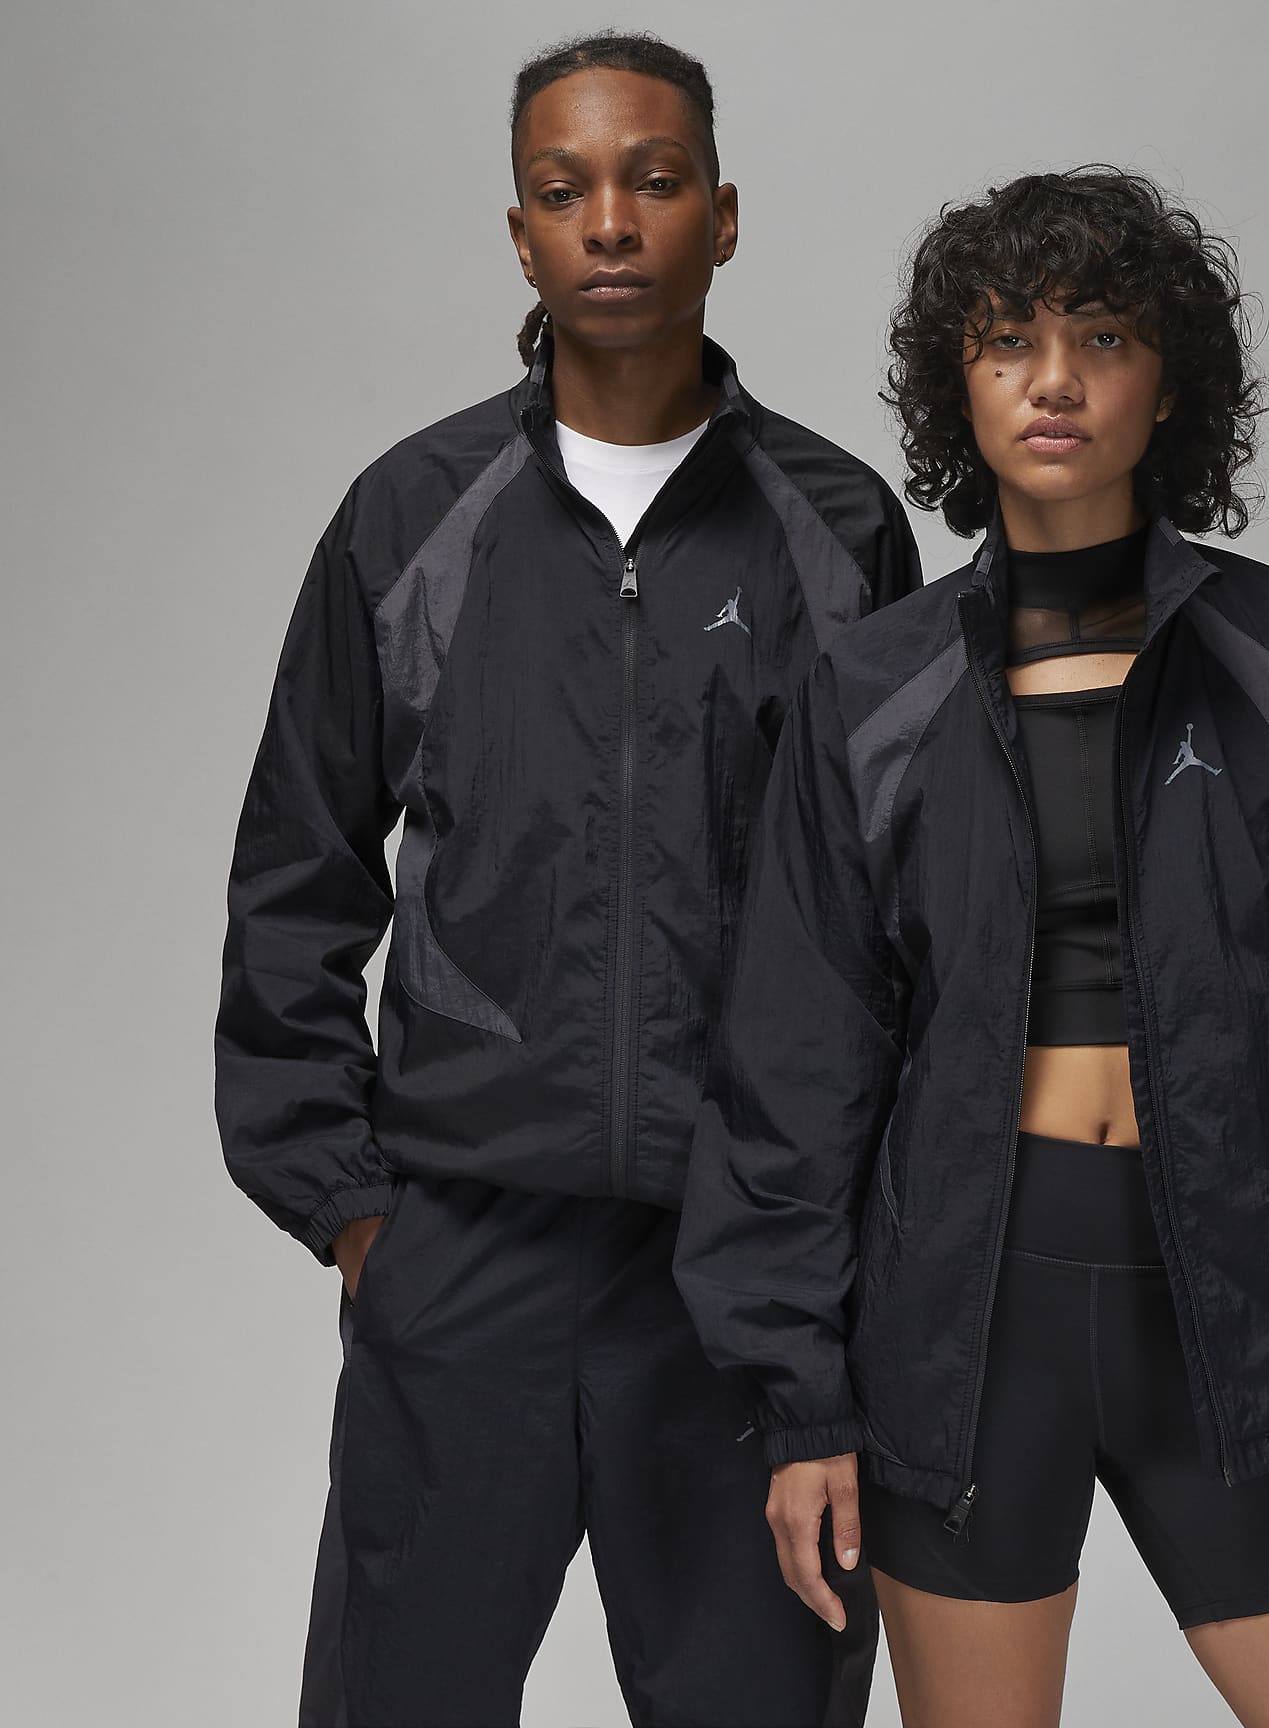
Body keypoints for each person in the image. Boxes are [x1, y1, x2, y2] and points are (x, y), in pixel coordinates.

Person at [674, 167, 1269, 1727]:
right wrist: (799, 1400)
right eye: (1008, 341)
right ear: (960, 386)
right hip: (967, 1329)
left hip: (1235, 1318)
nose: (1053, 379)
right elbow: (795, 1059)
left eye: (1102, 337)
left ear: (1166, 382)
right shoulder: (874, 691)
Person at [214, 30, 919, 1727]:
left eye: (655, 180)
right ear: (520, 234)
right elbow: (298, 874)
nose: (612, 219)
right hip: (465, 1259)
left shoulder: (838, 532)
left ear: (722, 217)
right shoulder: (411, 517)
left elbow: (907, 925)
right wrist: (358, 1214)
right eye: (565, 187)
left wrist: (850, 1248)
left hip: (749, 1283)